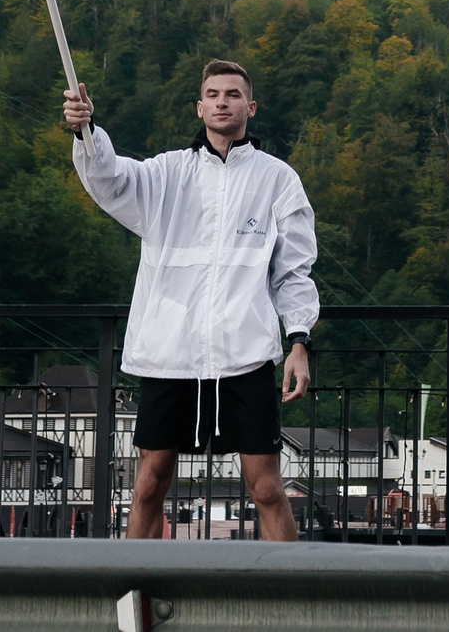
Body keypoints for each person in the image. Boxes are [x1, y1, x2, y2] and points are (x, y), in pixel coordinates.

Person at [65, 59, 317, 540]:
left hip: (246, 356)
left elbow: (294, 270)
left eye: (233, 94)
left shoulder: (278, 180)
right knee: (148, 485)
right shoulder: (166, 173)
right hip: (169, 357)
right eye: (214, 94)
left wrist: (299, 341)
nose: (223, 102)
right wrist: (87, 131)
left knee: (266, 488)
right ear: (200, 107)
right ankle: (134, 595)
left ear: (251, 106)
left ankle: (289, 602)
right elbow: (110, 179)